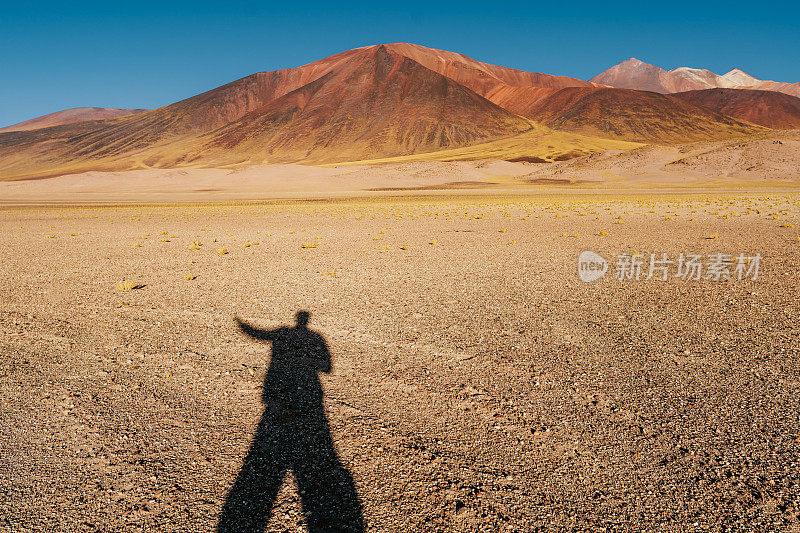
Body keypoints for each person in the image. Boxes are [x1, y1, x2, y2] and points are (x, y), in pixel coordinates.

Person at [217, 312, 363, 533]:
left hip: (288, 398)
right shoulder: (313, 337)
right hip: (309, 399)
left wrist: (244, 327)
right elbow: (326, 367)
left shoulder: (289, 334)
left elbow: (261, 335)